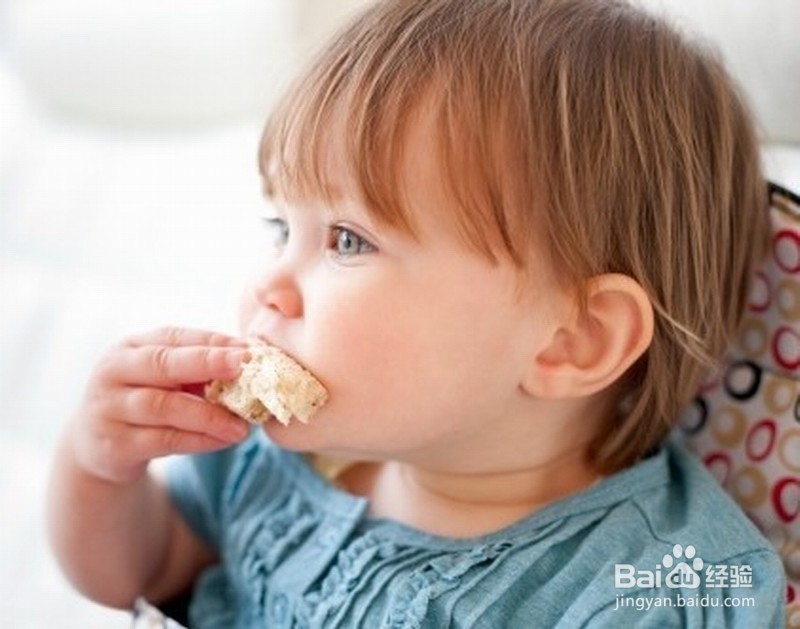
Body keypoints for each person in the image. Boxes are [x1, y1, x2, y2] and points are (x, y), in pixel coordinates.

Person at [47, 0, 788, 626]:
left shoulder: (664, 587)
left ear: (573, 339)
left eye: (347, 239)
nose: (269, 285)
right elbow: (146, 569)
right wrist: (98, 468)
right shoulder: (262, 460)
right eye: (281, 229)